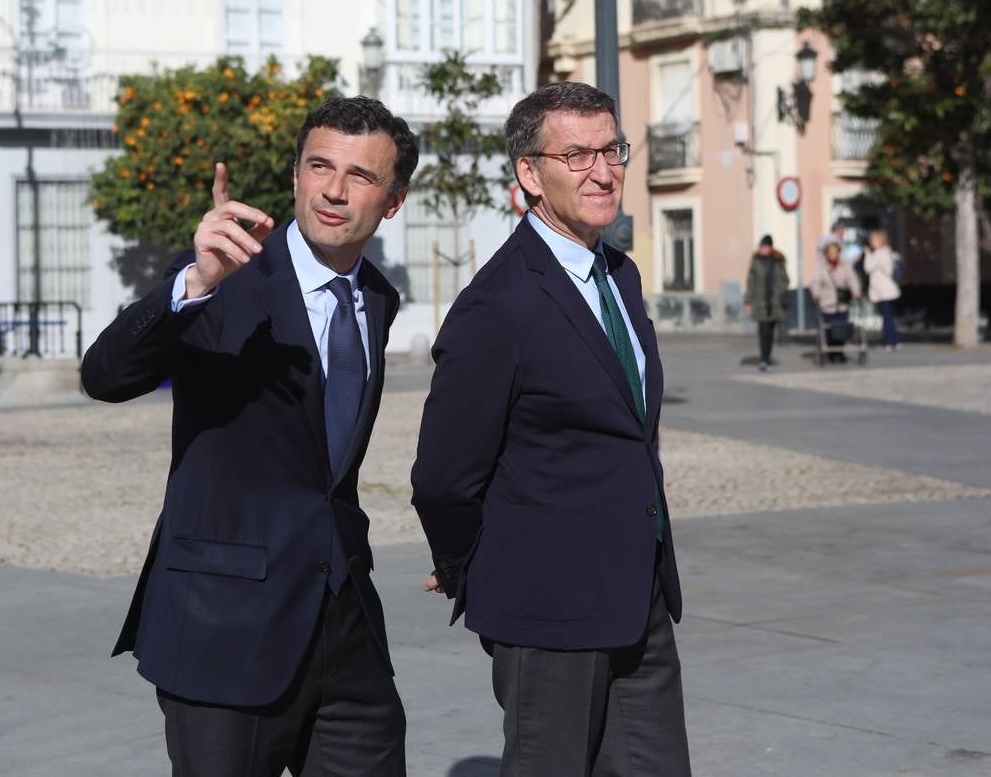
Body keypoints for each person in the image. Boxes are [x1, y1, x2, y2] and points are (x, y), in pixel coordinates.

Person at [81, 96, 417, 776]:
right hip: (222, 628)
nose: (331, 189)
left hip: (343, 629)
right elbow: (106, 376)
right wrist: (191, 284)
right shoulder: (226, 274)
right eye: (318, 166)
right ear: (295, 174)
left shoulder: (377, 298)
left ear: (393, 200)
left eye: (360, 176)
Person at [411, 82, 690, 776]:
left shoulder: (617, 275)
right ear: (530, 174)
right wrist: (465, 568)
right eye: (578, 154)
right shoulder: (497, 305)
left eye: (612, 149)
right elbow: (444, 476)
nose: (604, 170)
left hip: (639, 596)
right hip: (549, 609)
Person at [809, 241, 863, 362]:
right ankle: (830, 352)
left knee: (842, 329)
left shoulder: (845, 266)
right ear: (826, 254)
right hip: (827, 303)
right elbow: (815, 282)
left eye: (835, 252)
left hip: (842, 302)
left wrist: (856, 292)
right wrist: (816, 294)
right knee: (828, 330)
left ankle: (839, 352)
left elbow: (852, 279)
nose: (833, 255)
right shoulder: (821, 267)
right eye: (831, 252)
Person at [744, 234, 789, 372]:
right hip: (760, 302)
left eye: (765, 246)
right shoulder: (755, 262)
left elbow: (785, 280)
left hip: (774, 302)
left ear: (770, 247)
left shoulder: (777, 262)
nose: (763, 249)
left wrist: (780, 292)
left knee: (770, 332)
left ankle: (767, 356)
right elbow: (750, 283)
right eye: (761, 246)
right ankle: (763, 358)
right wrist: (748, 301)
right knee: (763, 331)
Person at [863, 229, 902, 349]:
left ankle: (889, 341)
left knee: (887, 316)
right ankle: (892, 340)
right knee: (888, 316)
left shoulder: (880, 253)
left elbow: (868, 268)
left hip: (884, 290)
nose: (871, 242)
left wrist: (868, 254)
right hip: (887, 289)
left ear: (880, 240)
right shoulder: (888, 252)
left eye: (873, 239)